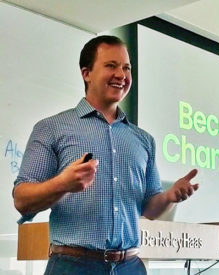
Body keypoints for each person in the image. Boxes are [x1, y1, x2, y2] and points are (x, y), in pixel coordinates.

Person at [13, 35, 199, 275]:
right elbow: (22, 200)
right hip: (73, 266)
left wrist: (169, 196)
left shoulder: (143, 140)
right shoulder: (52, 128)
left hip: (130, 266)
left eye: (126, 67)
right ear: (86, 73)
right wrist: (62, 184)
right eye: (111, 66)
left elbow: (149, 210)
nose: (121, 74)